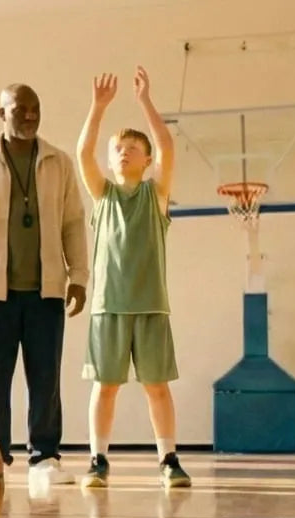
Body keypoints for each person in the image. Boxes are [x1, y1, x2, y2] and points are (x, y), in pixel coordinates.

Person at [0, 83, 89, 485]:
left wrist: (78, 276)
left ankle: (45, 457)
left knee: (46, 378)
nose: (29, 115)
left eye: (35, 109)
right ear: (2, 113)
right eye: (20, 109)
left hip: (46, 292)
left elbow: (73, 223)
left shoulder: (59, 162)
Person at [74, 67, 192, 490]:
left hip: (151, 305)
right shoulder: (102, 196)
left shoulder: (154, 194)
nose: (124, 152)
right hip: (108, 306)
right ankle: (97, 460)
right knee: (105, 387)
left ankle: (169, 460)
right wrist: (98, 107)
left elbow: (166, 145)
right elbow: (83, 153)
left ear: (146, 161)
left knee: (156, 386)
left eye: (132, 148)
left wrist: (144, 101)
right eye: (118, 148)